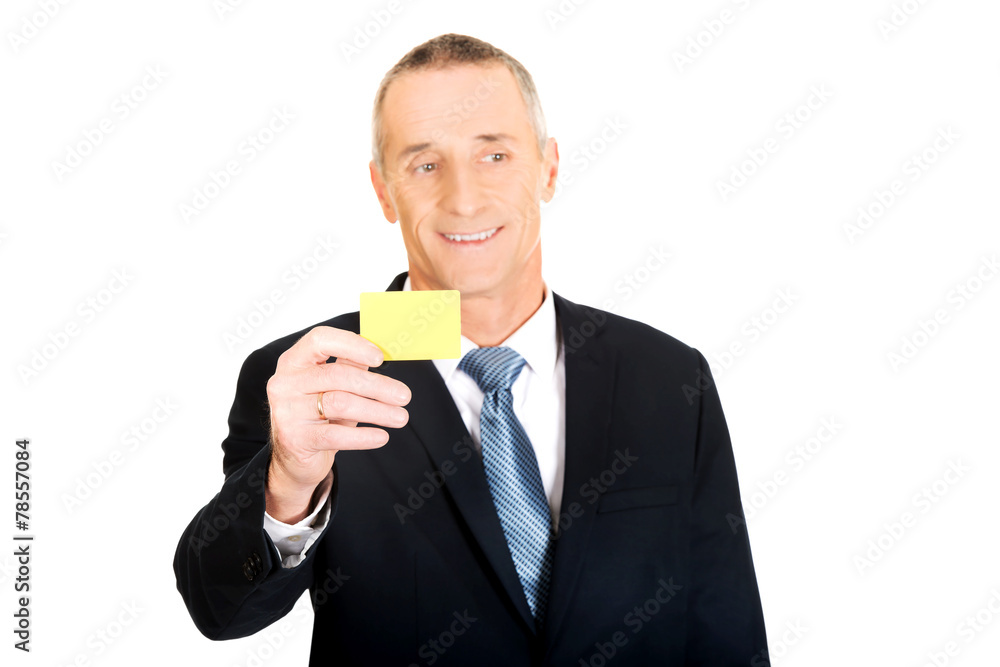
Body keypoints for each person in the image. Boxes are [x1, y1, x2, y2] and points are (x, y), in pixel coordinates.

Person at [174, 33, 769, 666]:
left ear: (549, 168)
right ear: (383, 190)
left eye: (495, 155)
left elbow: (725, 629)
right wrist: (289, 481)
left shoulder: (670, 376)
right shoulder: (314, 380)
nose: (463, 199)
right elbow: (222, 613)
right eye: (425, 164)